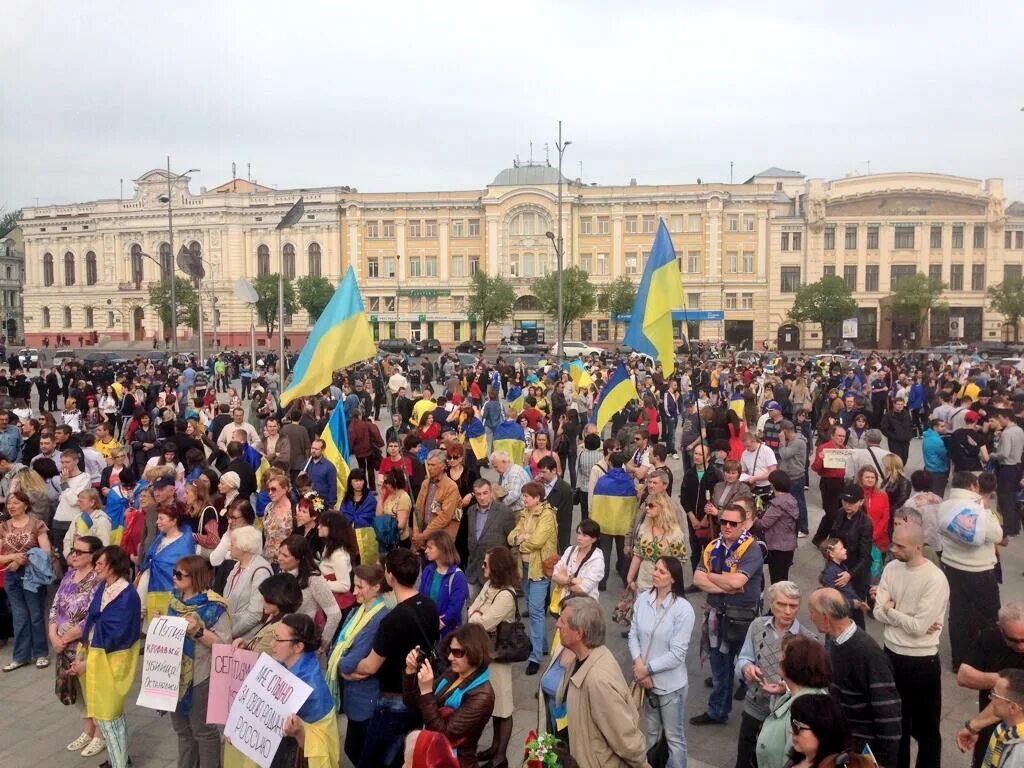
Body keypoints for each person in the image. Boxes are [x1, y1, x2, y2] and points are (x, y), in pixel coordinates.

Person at [354, 547, 441, 768]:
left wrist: (346, 664)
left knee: (375, 760)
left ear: (390, 576)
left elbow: (370, 666)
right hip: (419, 693)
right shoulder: (429, 605)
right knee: (407, 756)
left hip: (395, 697)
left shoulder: (392, 620)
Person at [873, 521, 949, 768]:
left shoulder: (935, 579)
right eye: (894, 542)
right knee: (898, 725)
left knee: (927, 731)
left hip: (922, 661)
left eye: (901, 546)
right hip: (892, 655)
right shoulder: (892, 568)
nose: (894, 549)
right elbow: (877, 612)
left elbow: (917, 628)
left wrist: (892, 610)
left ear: (919, 547)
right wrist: (901, 615)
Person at [807, 588, 901, 767]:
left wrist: (883, 763)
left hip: (863, 756)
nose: (810, 617)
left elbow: (888, 714)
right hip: (847, 747)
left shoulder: (866, 653)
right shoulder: (838, 644)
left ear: (826, 617)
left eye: (812, 612)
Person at [691, 502, 764, 726]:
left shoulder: (752, 549)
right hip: (717, 615)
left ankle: (757, 714)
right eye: (724, 521)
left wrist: (712, 577)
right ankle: (717, 711)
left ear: (744, 524)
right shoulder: (713, 546)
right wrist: (727, 585)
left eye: (733, 523)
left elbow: (738, 581)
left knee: (748, 669)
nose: (727, 526)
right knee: (720, 666)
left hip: (742, 618)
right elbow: (697, 579)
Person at [70, 546, 141, 768]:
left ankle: (120, 764)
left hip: (114, 662)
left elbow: (116, 635)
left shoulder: (127, 595)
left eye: (100, 563)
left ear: (113, 565)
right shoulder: (104, 587)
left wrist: (88, 664)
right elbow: (93, 619)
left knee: (109, 715)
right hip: (96, 657)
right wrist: (83, 652)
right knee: (106, 714)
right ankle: (118, 759)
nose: (96, 567)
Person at [557, 596, 648, 768]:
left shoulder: (598, 679)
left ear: (579, 633)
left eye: (562, 622)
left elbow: (624, 737)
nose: (557, 625)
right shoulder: (579, 659)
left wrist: (642, 763)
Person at [734, 581, 815, 768]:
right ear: (771, 604)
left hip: (785, 718)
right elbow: (744, 658)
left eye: (793, 606)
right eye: (781, 604)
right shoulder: (757, 626)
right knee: (744, 761)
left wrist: (783, 688)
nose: (787, 611)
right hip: (754, 708)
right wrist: (746, 668)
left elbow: (811, 687)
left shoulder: (808, 640)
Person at [628, 556, 695, 768]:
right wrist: (639, 665)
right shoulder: (642, 599)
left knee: (674, 739)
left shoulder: (683, 609)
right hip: (646, 682)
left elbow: (677, 654)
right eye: (655, 569)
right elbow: (633, 635)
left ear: (673, 579)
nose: (655, 573)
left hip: (670, 686)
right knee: (652, 733)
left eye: (662, 571)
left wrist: (645, 670)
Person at [167, 555, 232, 768]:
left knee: (203, 731)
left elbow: (223, 645)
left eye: (179, 574)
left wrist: (197, 631)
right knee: (182, 730)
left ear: (195, 577)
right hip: (173, 674)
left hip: (201, 674)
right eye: (174, 573)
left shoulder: (214, 606)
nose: (174, 578)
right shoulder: (175, 600)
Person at [402, 623, 496, 768]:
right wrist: (410, 672)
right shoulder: (453, 673)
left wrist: (426, 691)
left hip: (455, 762)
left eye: (457, 652)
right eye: (450, 651)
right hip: (433, 754)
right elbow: (411, 702)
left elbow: (443, 734)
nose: (451, 657)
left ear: (474, 651)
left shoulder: (482, 695)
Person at [939, 470, 1004, 671]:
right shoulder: (977, 508)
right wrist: (984, 509)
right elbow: (997, 535)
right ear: (973, 486)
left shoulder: (944, 506)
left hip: (952, 567)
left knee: (958, 615)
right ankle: (990, 661)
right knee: (989, 616)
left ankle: (960, 662)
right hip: (980, 570)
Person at [258, 614, 341, 768]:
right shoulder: (286, 663)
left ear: (298, 647)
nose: (271, 644)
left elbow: (323, 748)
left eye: (278, 639)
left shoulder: (312, 689)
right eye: (274, 637)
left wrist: (299, 732)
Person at [327, 564, 390, 765]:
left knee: (359, 752)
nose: (354, 592)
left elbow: (347, 662)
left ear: (376, 587)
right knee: (353, 749)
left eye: (359, 587)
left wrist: (341, 662)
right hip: (355, 695)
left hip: (365, 699)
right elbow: (337, 649)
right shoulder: (360, 610)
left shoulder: (378, 619)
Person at [48, 534, 104, 758]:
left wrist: (66, 637)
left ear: (93, 556)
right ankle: (87, 729)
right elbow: (54, 606)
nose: (73, 555)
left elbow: (91, 616)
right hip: (62, 644)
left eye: (80, 552)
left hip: (83, 644)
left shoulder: (97, 580)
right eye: (73, 550)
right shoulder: (69, 575)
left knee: (93, 689)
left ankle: (101, 734)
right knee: (76, 690)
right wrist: (53, 635)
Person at [467, 546, 520, 768]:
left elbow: (482, 621)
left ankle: (501, 756)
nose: (482, 566)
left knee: (503, 707)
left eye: (486, 563)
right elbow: (471, 611)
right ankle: (494, 748)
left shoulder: (507, 595)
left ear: (496, 567)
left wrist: (477, 614)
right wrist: (477, 614)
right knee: (494, 706)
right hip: (487, 655)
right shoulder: (489, 586)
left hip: (498, 658)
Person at [956, 603, 1024, 768]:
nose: (1022, 646)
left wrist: (1007, 686)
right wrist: (1003, 681)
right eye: (1015, 640)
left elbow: (1010, 703)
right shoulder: (989, 638)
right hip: (993, 732)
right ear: (1001, 629)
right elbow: (963, 675)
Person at [754, 635, 833, 768]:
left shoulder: (806, 709)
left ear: (796, 664)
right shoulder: (794, 695)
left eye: (784, 655)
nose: (779, 658)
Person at [507, 480, 557, 675]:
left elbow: (537, 541)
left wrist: (520, 542)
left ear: (537, 498)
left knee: (535, 612)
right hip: (525, 567)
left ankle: (535, 657)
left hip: (539, 569)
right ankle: (542, 646)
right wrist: (519, 539)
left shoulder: (547, 515)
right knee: (531, 606)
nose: (523, 499)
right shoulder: (525, 513)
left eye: (526, 496)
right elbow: (512, 536)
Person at [0, 490, 53, 671]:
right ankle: (20, 656)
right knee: (19, 616)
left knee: (36, 615)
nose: (11, 506)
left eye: (15, 502)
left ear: (25, 504)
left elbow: (46, 551)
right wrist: (14, 558)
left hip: (33, 575)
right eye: (9, 503)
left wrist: (24, 559)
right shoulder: (3, 527)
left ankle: (41, 653)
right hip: (11, 575)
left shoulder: (36, 524)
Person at [277, 535, 342, 652]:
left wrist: (321, 647)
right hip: (279, 637)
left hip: (300, 644)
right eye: (279, 553)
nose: (279, 558)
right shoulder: (282, 571)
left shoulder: (314, 579)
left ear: (299, 559)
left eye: (285, 556)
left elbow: (335, 614)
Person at [782, 693, 874, 768]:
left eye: (797, 726)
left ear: (823, 731)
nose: (791, 730)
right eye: (792, 722)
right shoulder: (799, 757)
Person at [136, 504, 194, 623]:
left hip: (170, 592)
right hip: (151, 588)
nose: (157, 522)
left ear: (173, 521)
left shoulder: (184, 544)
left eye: (161, 518)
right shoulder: (160, 538)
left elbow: (184, 572)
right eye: (157, 518)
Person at [958, 668, 1024, 768]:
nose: (990, 698)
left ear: (1013, 707)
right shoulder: (1002, 729)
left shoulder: (1019, 753)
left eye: (994, 695)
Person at [464, 478, 515, 601]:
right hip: (473, 570)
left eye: (485, 493)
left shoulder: (504, 512)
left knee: (492, 609)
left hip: (495, 572)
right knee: (470, 606)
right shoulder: (471, 511)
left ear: (491, 492)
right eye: (478, 494)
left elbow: (511, 541)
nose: (482, 497)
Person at [625, 491, 686, 593]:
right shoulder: (644, 528)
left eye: (651, 505)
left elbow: (679, 562)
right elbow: (638, 554)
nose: (647, 508)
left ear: (662, 508)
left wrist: (670, 582)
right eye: (646, 505)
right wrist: (630, 578)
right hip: (643, 582)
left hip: (664, 586)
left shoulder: (675, 533)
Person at [222, 526, 274, 641]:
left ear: (244, 547)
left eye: (232, 545)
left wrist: (228, 633)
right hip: (228, 632)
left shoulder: (261, 572)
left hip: (246, 639)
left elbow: (255, 614)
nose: (229, 548)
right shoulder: (237, 566)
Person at [418, 530, 467, 640]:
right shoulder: (428, 570)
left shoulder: (458, 576)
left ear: (442, 549)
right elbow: (421, 597)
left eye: (430, 548)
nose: (426, 551)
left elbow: (455, 606)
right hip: (427, 627)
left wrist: (441, 622)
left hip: (448, 632)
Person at [754, 471, 799, 584]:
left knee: (777, 580)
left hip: (777, 546)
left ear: (773, 485)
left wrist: (752, 518)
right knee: (783, 578)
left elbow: (764, 523)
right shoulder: (790, 499)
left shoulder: (778, 504)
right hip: (788, 545)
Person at [413, 449, 461, 552]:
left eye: (433, 465)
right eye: (428, 464)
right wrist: (417, 534)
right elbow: (417, 509)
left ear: (443, 466)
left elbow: (445, 517)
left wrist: (424, 535)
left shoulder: (451, 487)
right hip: (424, 536)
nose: (429, 468)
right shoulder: (425, 483)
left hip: (441, 539)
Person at [551, 518, 604, 603]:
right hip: (565, 603)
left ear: (594, 539)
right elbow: (554, 575)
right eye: (579, 533)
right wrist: (572, 580)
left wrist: (564, 579)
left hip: (585, 606)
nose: (579, 538)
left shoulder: (597, 560)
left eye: (584, 535)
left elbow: (583, 589)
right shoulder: (570, 550)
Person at [811, 424, 848, 545]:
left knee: (840, 512)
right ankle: (819, 539)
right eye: (839, 436)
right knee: (831, 514)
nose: (842, 438)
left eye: (843, 436)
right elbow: (815, 468)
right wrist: (821, 459)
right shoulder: (823, 448)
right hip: (828, 482)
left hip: (841, 483)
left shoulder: (844, 449)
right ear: (832, 436)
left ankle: (833, 536)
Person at [990, 407, 1023, 537]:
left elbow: (1004, 453)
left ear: (1007, 418)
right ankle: (1015, 526)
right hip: (1017, 466)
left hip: (1006, 468)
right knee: (1014, 498)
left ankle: (1008, 527)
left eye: (1000, 419)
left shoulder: (1007, 433)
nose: (999, 421)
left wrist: (993, 455)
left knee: (1005, 499)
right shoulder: (1019, 430)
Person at [317, 510, 358, 609]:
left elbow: (344, 585)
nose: (318, 527)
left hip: (337, 604)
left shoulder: (338, 555)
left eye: (322, 525)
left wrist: (321, 583)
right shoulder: (329, 546)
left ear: (332, 529)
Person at [378, 467, 414, 550]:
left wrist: (383, 527)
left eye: (386, 482)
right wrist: (381, 498)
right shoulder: (390, 495)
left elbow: (401, 524)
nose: (384, 484)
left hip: (399, 540)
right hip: (388, 538)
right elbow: (379, 516)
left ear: (394, 481)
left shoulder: (403, 498)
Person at [922, 418, 950, 496]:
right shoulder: (936, 440)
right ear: (935, 427)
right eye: (942, 426)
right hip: (937, 471)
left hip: (928, 468)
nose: (944, 428)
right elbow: (944, 455)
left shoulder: (927, 436)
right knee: (937, 496)